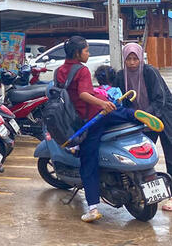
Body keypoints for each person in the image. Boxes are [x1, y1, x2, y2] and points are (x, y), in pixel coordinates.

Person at [55, 36, 160, 223]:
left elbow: (71, 95)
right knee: (119, 113)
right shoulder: (82, 70)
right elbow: (84, 93)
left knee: (89, 163)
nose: (88, 54)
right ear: (77, 53)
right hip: (95, 115)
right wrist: (102, 103)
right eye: (86, 51)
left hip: (84, 120)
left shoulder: (60, 71)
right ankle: (134, 115)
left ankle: (93, 207)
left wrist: (100, 103)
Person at [124, 42, 172, 212]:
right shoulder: (123, 76)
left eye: (135, 58)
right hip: (142, 122)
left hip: (165, 120)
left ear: (140, 58)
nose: (132, 63)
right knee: (142, 159)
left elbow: (160, 99)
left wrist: (145, 116)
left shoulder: (149, 72)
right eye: (128, 59)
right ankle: (146, 193)